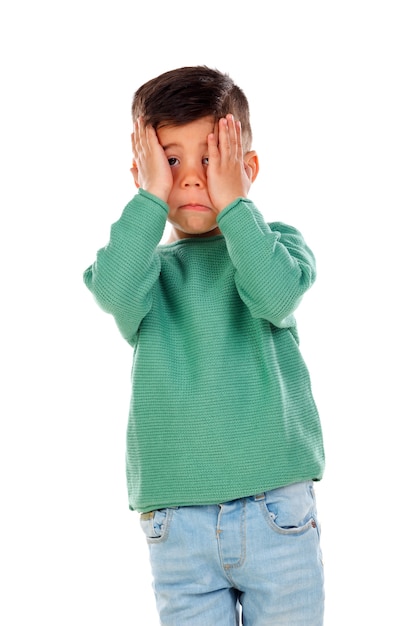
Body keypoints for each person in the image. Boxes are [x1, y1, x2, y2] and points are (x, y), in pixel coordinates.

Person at [83, 65, 325, 626]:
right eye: (171, 160)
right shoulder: (147, 272)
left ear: (248, 167)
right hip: (178, 526)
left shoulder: (276, 245)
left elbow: (275, 295)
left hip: (276, 513)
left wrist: (235, 205)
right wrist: (150, 199)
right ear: (142, 172)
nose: (192, 178)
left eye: (211, 157)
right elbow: (113, 289)